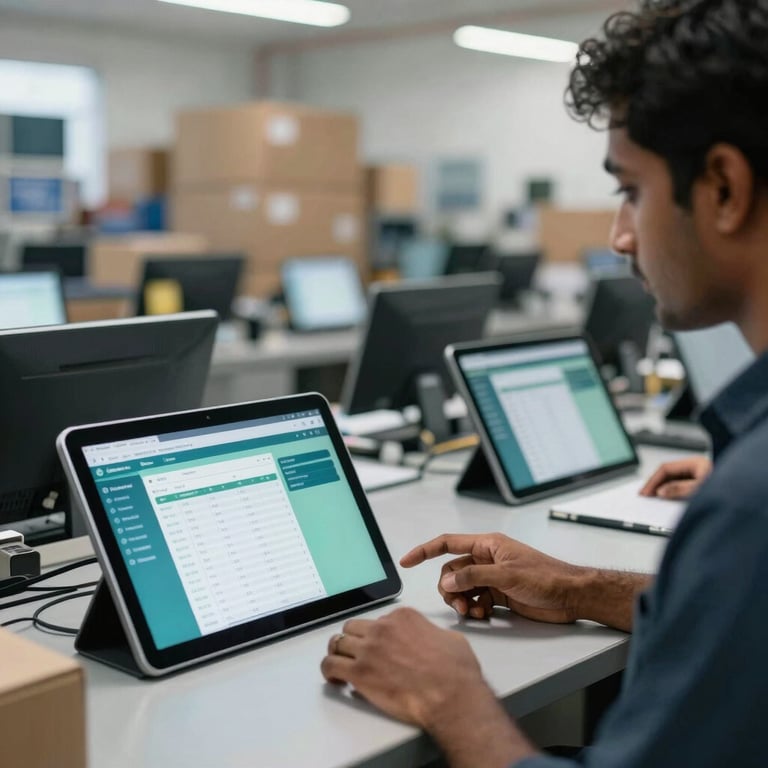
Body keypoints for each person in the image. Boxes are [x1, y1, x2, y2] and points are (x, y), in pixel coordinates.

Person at [320, 1, 768, 766]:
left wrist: (450, 698)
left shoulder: (750, 504)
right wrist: (577, 587)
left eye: (630, 190)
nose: (620, 237)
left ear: (723, 187)